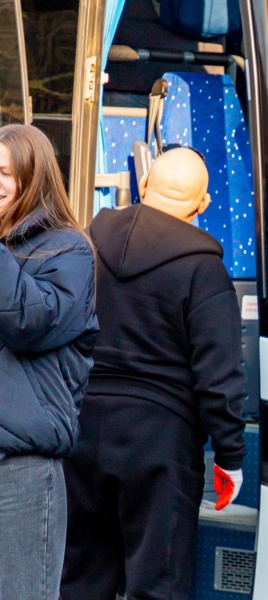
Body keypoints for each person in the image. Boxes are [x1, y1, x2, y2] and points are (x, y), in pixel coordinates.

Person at [61, 147, 247, 600]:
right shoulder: (205, 270)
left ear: (144, 186)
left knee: (78, 581)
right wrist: (230, 455)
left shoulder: (87, 246)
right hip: (162, 446)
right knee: (159, 584)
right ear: (202, 204)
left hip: (80, 432)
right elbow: (220, 377)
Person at [0, 124, 99, 600]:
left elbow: (28, 321)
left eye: (4, 172)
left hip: (21, 468)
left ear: (33, 176)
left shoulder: (69, 249)